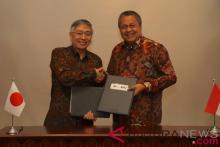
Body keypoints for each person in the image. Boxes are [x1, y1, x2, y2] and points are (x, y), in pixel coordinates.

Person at [107, 10, 177, 126]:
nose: (128, 30)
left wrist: (145, 85)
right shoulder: (117, 50)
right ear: (119, 29)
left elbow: (171, 77)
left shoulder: (155, 49)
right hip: (120, 120)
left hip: (147, 120)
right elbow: (111, 78)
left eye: (132, 25)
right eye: (124, 27)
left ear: (140, 26)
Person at [44, 19, 105, 128]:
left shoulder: (96, 60)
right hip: (59, 121)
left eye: (88, 34)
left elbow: (96, 91)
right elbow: (66, 78)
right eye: (79, 33)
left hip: (85, 120)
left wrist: (94, 111)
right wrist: (92, 74)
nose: (83, 37)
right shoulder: (59, 53)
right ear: (71, 35)